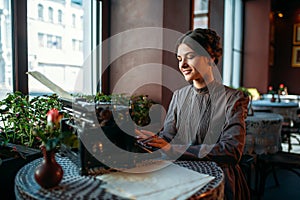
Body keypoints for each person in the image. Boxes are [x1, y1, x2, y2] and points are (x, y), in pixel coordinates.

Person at [135, 28, 250, 200]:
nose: (182, 65)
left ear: (211, 58)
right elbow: (168, 137)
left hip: (219, 182)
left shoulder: (234, 98)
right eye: (180, 59)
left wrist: (172, 149)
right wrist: (152, 141)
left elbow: (231, 151)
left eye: (189, 57)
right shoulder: (179, 96)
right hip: (180, 176)